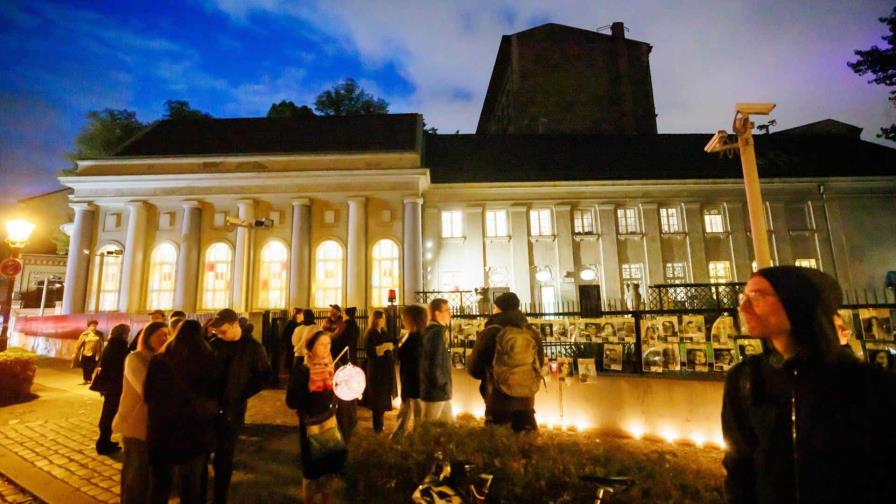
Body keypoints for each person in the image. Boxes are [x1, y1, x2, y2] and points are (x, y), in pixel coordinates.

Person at [722, 266, 896, 503]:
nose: (743, 307)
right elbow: (739, 467)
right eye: (744, 297)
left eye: (757, 296)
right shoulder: (745, 380)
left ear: (796, 303)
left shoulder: (866, 384)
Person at [144, 320, 219, 504]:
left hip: (162, 429)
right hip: (194, 431)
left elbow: (148, 394)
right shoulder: (209, 359)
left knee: (159, 484)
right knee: (191, 485)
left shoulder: (159, 359)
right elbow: (215, 394)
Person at [207, 308, 272, 504]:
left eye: (224, 331)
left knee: (224, 456)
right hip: (209, 407)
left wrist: (241, 394)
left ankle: (220, 496)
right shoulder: (214, 345)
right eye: (217, 332)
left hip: (232, 411)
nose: (220, 335)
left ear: (235, 325)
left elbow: (264, 376)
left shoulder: (253, 348)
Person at [468, 292, 544, 432]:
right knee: (527, 447)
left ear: (498, 308)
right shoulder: (531, 332)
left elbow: (474, 369)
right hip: (527, 401)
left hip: (497, 400)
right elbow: (540, 363)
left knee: (499, 447)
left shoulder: (491, 332)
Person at [286, 330, 346, 504]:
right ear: (310, 348)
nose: (326, 348)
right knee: (312, 471)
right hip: (310, 424)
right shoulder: (303, 371)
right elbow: (291, 400)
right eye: (321, 344)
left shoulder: (336, 366)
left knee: (329, 469)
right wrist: (311, 394)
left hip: (331, 422)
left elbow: (343, 390)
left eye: (328, 344)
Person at [114, 321, 169, 504]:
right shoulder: (135, 358)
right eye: (160, 334)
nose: (165, 338)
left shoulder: (164, 359)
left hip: (158, 426)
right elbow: (147, 389)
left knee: (154, 477)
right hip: (136, 424)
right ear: (147, 337)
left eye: (167, 335)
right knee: (135, 476)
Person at [390, 304, 426, 442]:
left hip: (414, 383)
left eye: (404, 317)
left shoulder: (416, 338)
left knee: (414, 414)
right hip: (411, 382)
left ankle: (411, 441)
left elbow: (412, 361)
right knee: (409, 414)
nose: (402, 320)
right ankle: (403, 439)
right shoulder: (414, 336)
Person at [95, 323, 130, 455]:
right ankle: (103, 442)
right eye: (127, 332)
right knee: (110, 413)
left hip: (109, 386)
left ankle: (104, 440)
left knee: (108, 412)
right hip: (115, 386)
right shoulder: (119, 347)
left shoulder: (111, 345)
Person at [420, 298, 453, 423]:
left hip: (439, 392)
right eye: (447, 310)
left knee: (448, 430)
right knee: (427, 429)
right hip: (436, 392)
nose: (450, 313)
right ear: (437, 313)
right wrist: (444, 384)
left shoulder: (433, 332)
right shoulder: (436, 334)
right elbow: (434, 364)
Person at [330, 306, 360, 441]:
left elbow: (339, 341)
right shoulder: (355, 326)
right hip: (350, 356)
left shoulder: (347, 326)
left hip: (343, 357)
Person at [365, 310, 397, 433]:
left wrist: (392, 344)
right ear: (375, 320)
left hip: (385, 369)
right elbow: (369, 351)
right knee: (377, 400)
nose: (383, 321)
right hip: (376, 369)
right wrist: (382, 348)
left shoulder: (384, 331)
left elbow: (391, 341)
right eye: (381, 319)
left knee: (383, 398)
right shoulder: (370, 333)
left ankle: (380, 426)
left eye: (384, 318)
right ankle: (377, 427)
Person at [73, 320, 104, 385]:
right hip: (85, 353)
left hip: (95, 354)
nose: (94, 327)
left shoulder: (100, 334)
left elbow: (102, 344)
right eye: (92, 326)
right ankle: (86, 380)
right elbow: (78, 344)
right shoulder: (84, 334)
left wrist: (101, 353)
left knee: (92, 367)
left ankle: (89, 379)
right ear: (89, 327)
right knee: (85, 367)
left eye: (95, 326)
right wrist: (75, 353)